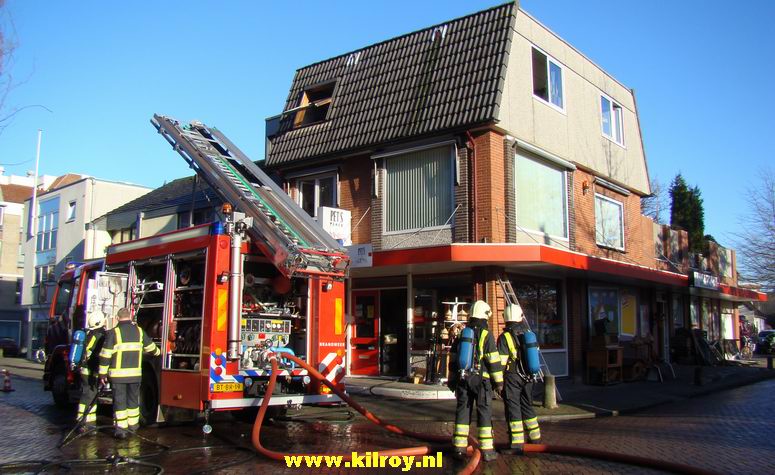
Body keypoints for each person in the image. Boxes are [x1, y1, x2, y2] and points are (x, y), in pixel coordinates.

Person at [449, 300, 504, 462]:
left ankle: (459, 448)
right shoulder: (486, 335)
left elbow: (453, 359)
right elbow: (494, 361)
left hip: (463, 379)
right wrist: (499, 383)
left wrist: (452, 380)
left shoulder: (462, 333)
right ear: (485, 316)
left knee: (462, 411)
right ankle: (486, 450)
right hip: (481, 381)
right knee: (484, 412)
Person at [98, 308, 160, 439]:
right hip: (135, 376)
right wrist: (158, 353)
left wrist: (102, 374)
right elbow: (151, 348)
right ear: (130, 317)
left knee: (120, 402)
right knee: (133, 402)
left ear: (117, 318)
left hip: (118, 377)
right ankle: (133, 427)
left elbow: (105, 355)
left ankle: (121, 431)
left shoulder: (113, 333)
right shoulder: (139, 331)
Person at [497, 303, 541, 454]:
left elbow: (501, 362)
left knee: (513, 408)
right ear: (520, 317)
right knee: (527, 405)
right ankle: (535, 438)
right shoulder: (528, 333)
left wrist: (498, 382)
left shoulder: (505, 337)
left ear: (505, 317)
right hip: (528, 376)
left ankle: (516, 445)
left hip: (512, 376)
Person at [75, 313, 108, 433]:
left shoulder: (91, 333)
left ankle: (89, 423)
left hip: (87, 370)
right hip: (90, 371)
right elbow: (92, 353)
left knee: (91, 396)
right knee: (88, 396)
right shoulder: (98, 335)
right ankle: (82, 422)